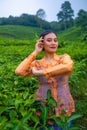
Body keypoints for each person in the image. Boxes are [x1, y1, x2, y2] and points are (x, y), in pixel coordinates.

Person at [15, 30, 75, 129]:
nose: (53, 43)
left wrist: (41, 72)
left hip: (64, 104)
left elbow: (68, 67)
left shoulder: (63, 58)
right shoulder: (37, 64)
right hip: (44, 106)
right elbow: (19, 71)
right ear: (42, 43)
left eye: (55, 40)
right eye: (49, 40)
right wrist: (35, 52)